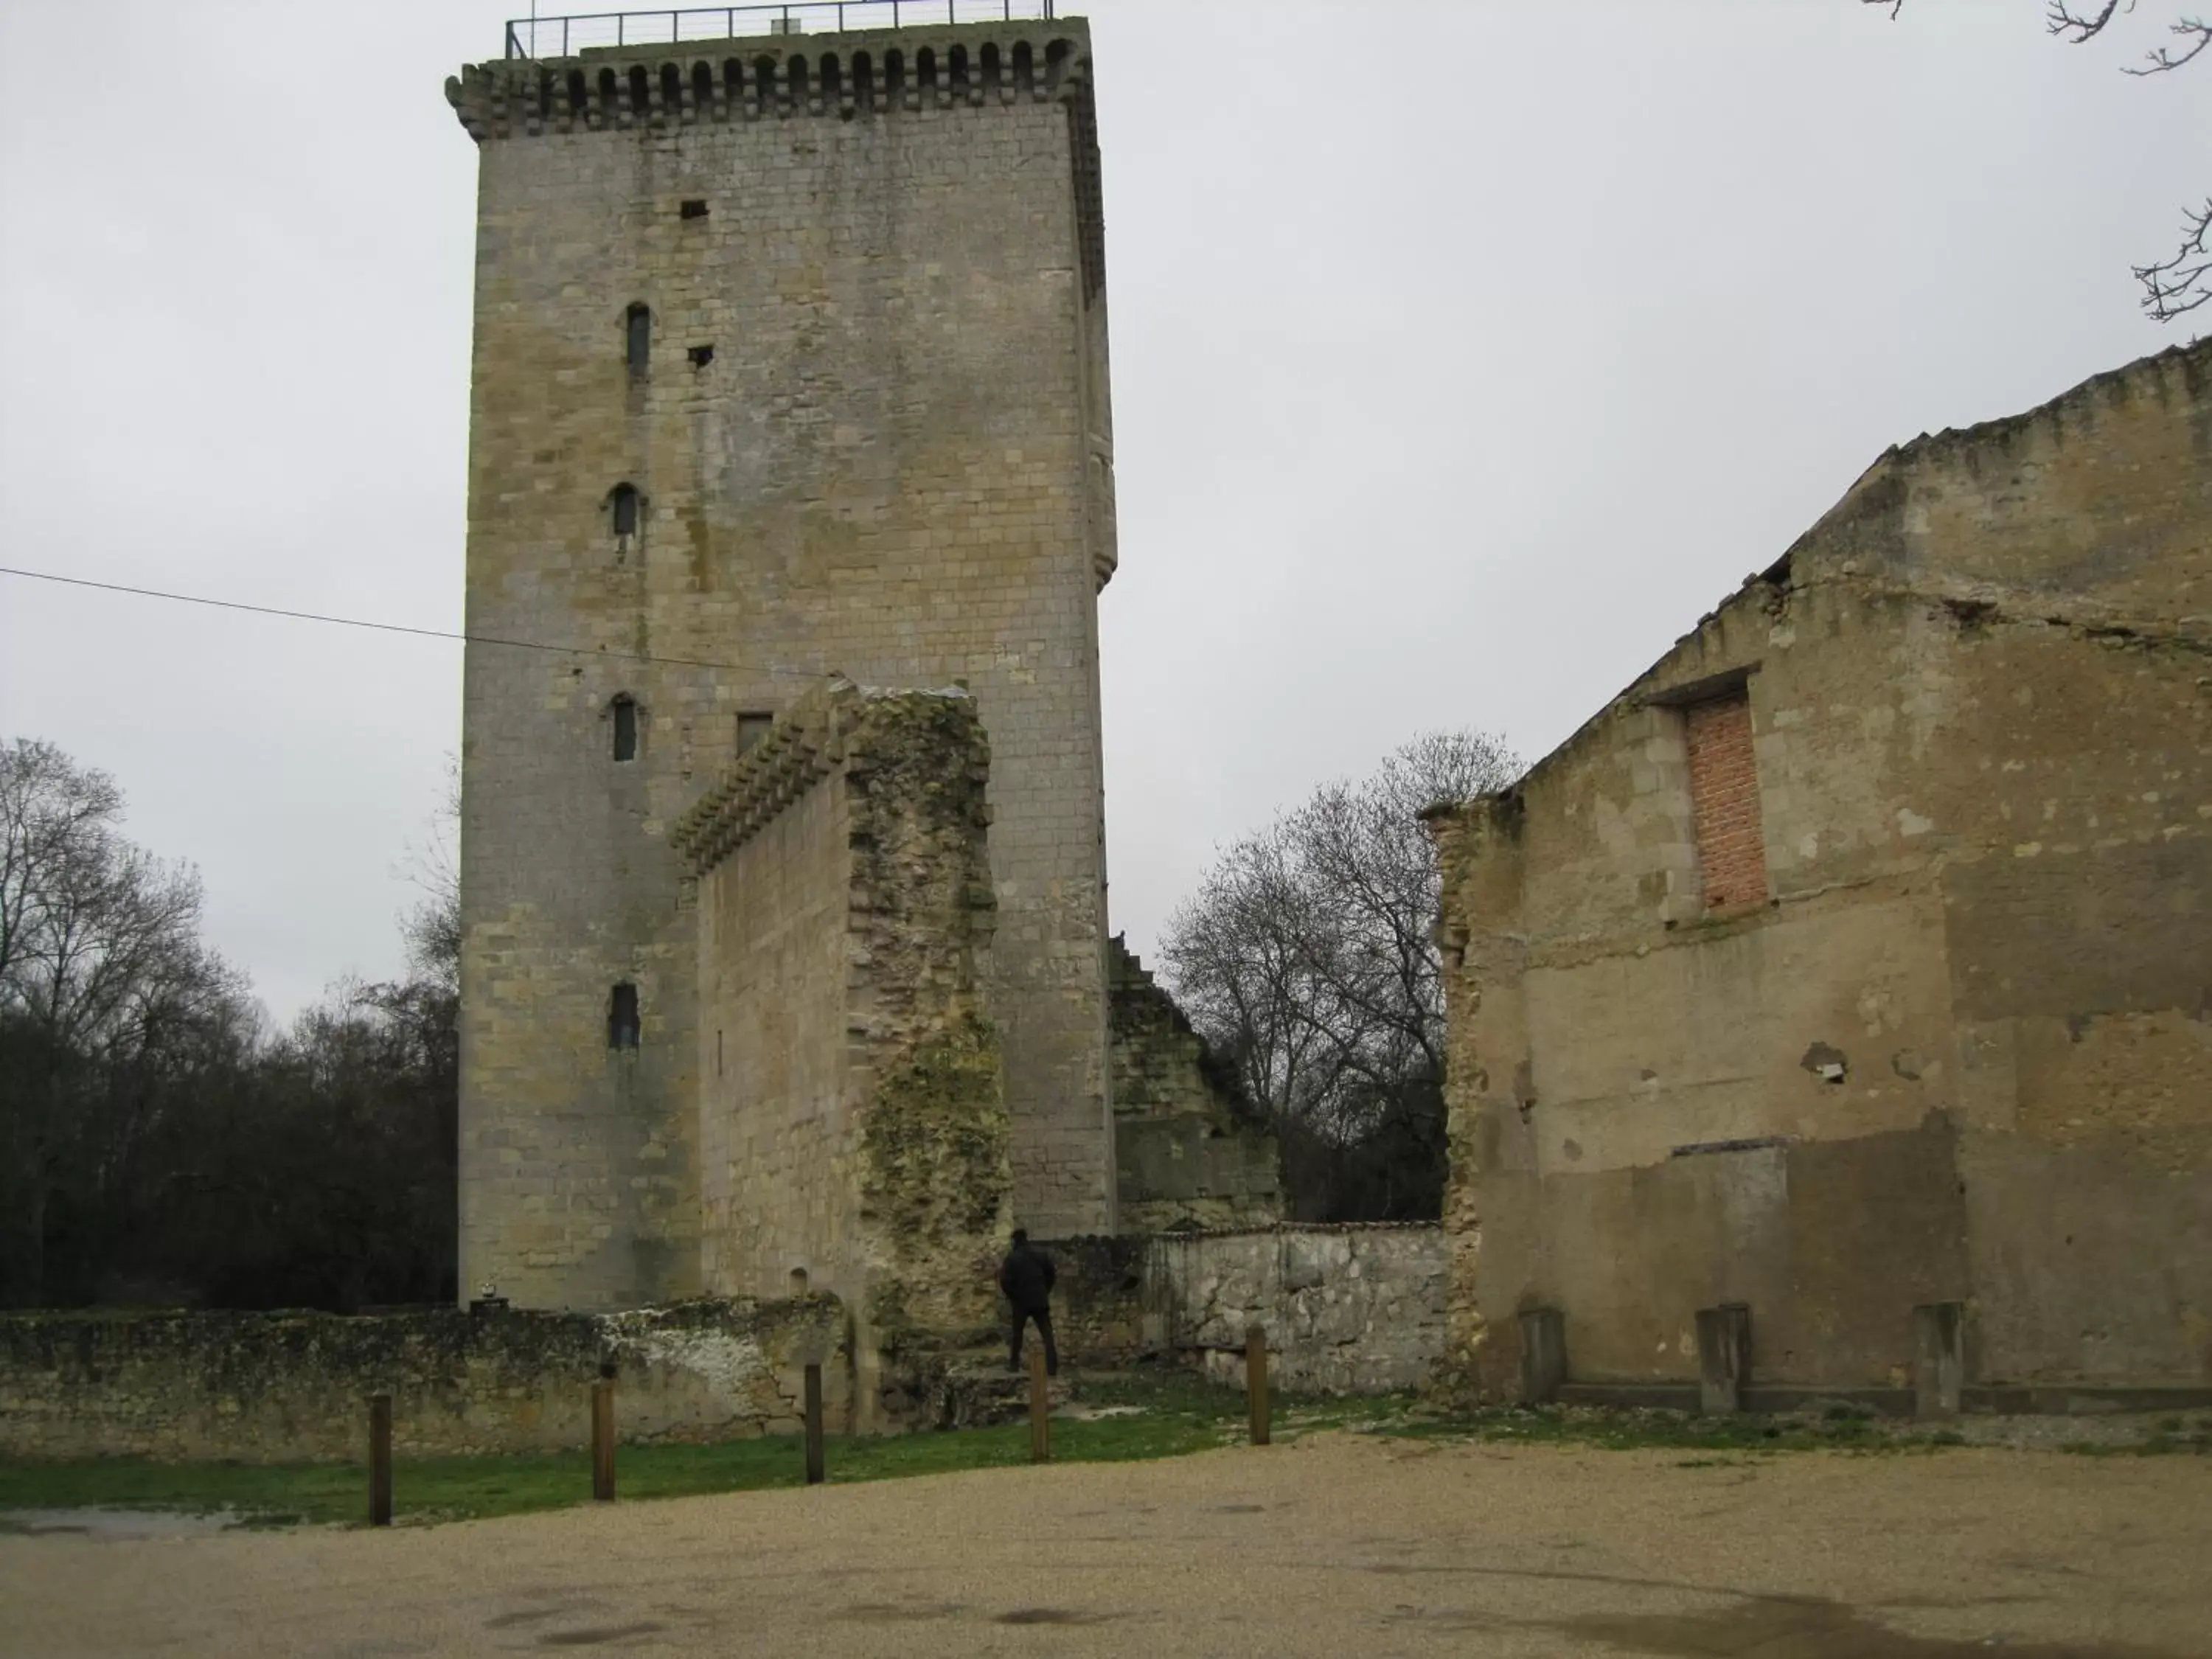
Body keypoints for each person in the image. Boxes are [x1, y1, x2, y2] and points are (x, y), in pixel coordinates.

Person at [998, 1228, 1059, 1377]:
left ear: (1014, 1241)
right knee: (1047, 1334)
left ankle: (1014, 1364)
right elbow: (1051, 1275)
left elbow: (1005, 1281)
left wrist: (1013, 1296)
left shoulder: (1012, 1258)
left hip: (1021, 1302)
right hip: (1039, 1299)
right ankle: (1052, 1367)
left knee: (1017, 1334)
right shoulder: (1040, 1255)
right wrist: (1045, 1291)